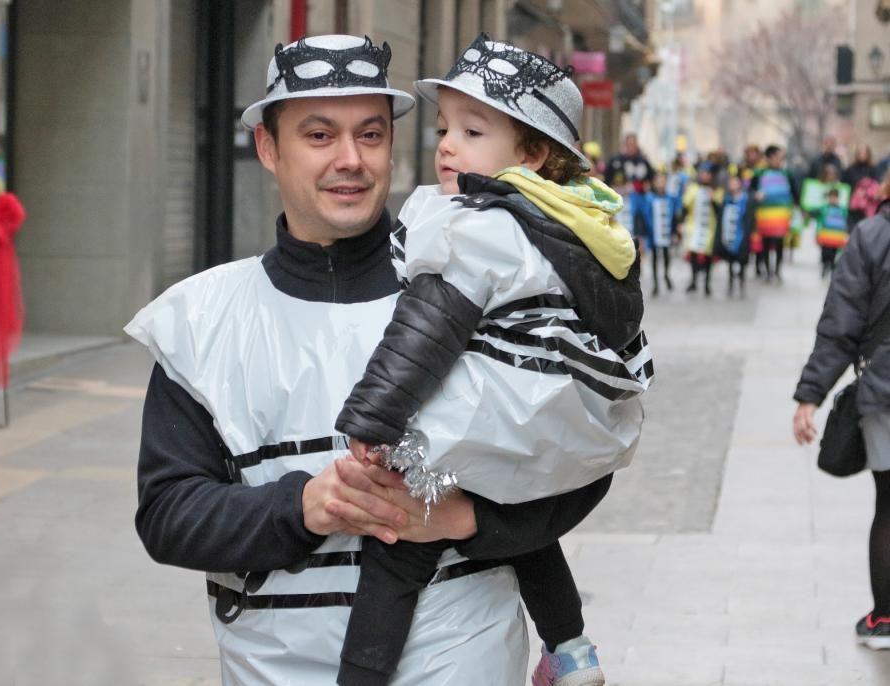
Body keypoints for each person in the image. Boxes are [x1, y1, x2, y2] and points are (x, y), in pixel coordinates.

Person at [124, 34, 616, 685]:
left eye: (372, 135)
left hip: (460, 650)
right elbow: (167, 515)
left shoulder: (482, 273)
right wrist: (304, 507)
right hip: (268, 667)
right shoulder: (201, 319)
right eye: (320, 135)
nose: (350, 160)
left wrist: (472, 518)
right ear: (269, 147)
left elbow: (583, 455)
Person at [334, 34, 650, 686]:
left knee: (394, 551)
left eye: (472, 131)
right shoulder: (577, 225)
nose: (447, 144)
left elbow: (426, 328)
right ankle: (571, 649)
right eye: (446, 127)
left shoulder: (476, 226)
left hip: (477, 423)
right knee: (532, 538)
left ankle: (359, 677)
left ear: (532, 153)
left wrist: (373, 418)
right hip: (552, 422)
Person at [792, 180, 890, 652]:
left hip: (885, 388)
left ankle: (885, 619)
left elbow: (841, 325)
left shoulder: (871, 237)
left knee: (889, 504)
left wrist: (810, 394)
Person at [749, 145, 797, 283]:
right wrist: (755, 195)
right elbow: (750, 191)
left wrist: (798, 208)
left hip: (781, 214)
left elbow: (795, 192)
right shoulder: (759, 173)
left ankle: (777, 270)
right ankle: (768, 270)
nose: (780, 160)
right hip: (765, 214)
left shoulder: (787, 173)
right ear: (770, 157)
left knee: (780, 242)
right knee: (765, 242)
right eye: (778, 157)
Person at [636, 170, 680, 296]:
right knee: (654, 257)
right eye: (658, 181)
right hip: (653, 233)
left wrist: (676, 232)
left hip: (666, 232)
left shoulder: (671, 198)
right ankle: (656, 284)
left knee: (666, 255)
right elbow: (643, 216)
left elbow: (675, 217)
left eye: (663, 181)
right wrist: (642, 235)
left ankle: (666, 275)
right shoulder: (649, 198)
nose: (660, 184)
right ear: (654, 183)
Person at [682, 163, 722, 296]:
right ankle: (693, 281)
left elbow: (719, 211)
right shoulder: (693, 188)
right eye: (703, 173)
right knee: (693, 254)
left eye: (707, 174)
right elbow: (685, 206)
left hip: (710, 228)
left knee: (708, 256)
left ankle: (707, 284)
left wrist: (713, 199)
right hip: (694, 226)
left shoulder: (717, 190)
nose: (705, 176)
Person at [714, 175, 752, 297]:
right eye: (730, 183)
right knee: (730, 262)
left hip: (741, 235)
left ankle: (741, 285)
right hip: (728, 235)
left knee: (742, 262)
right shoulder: (726, 199)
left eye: (734, 183)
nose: (732, 186)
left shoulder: (746, 199)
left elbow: (749, 218)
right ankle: (730, 285)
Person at [813, 187, 849, 278]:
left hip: (835, 237)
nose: (833, 199)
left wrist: (844, 233)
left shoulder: (842, 209)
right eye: (831, 197)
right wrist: (818, 232)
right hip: (825, 235)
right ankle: (825, 266)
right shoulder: (824, 208)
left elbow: (844, 222)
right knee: (825, 252)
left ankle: (831, 267)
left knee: (833, 253)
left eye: (835, 197)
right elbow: (820, 221)